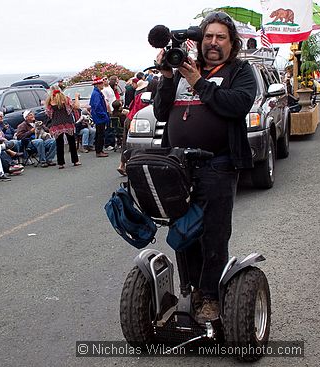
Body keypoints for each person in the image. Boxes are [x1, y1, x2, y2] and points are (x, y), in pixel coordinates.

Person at [153, 11, 256, 323]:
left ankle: (210, 296)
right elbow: (160, 110)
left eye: (220, 37)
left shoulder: (240, 70)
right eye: (208, 37)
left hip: (219, 164)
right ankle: (193, 289)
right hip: (178, 166)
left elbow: (237, 105)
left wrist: (198, 81)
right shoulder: (181, 68)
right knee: (183, 231)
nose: (213, 42)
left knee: (213, 233)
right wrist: (169, 76)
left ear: (231, 43)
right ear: (199, 41)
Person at [117, 79, 150, 175]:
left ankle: (122, 164)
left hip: (129, 118)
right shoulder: (147, 97)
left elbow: (131, 107)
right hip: (137, 121)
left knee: (125, 143)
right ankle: (133, 165)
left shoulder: (137, 96)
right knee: (136, 144)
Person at [45, 88, 81, 169]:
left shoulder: (50, 102)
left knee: (59, 144)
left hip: (56, 124)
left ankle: (61, 163)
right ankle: (75, 160)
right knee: (71, 142)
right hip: (67, 122)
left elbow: (48, 113)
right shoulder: (66, 100)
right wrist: (76, 97)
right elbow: (76, 106)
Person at [90, 77, 110, 157]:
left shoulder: (97, 93)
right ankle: (99, 151)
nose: (103, 84)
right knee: (100, 134)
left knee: (100, 134)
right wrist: (104, 115)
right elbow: (97, 106)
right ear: (98, 85)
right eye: (101, 83)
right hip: (99, 118)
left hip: (99, 117)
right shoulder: (96, 94)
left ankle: (100, 150)